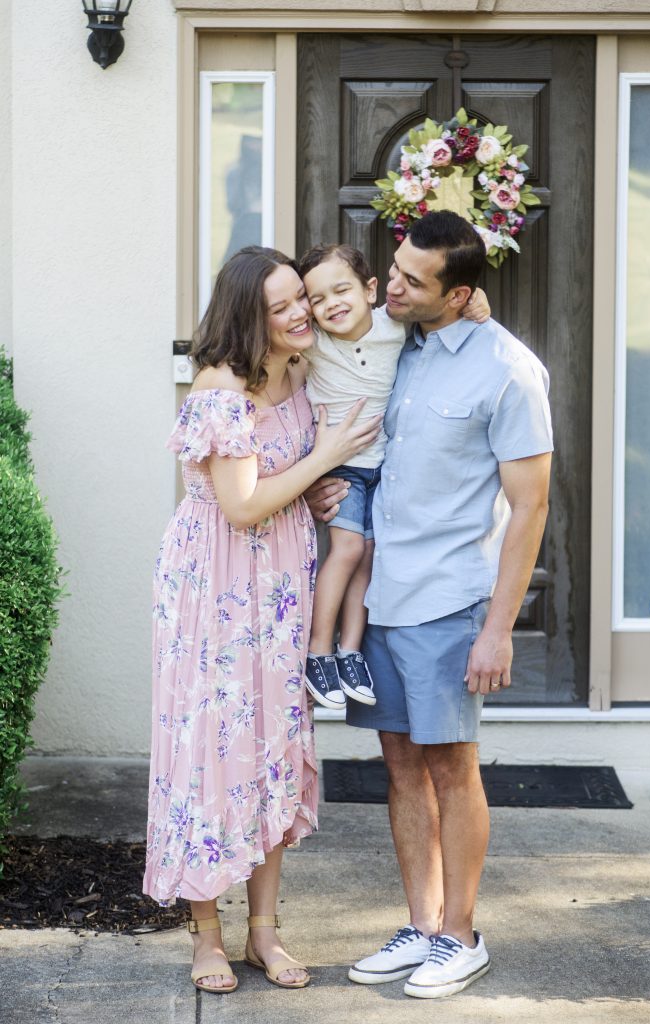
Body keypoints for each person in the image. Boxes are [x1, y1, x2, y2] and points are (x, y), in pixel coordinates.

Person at [307, 211, 553, 1000]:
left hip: (448, 601)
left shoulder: (507, 371)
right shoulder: (395, 343)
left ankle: (460, 934)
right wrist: (321, 487)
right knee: (400, 768)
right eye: (394, 271)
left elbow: (531, 507)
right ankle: (420, 925)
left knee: (451, 769)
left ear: (459, 294)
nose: (392, 288)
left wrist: (497, 630)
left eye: (412, 281)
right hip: (380, 595)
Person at [143, 246, 380, 994]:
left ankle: (264, 932)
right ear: (250, 318)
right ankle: (206, 936)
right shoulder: (220, 390)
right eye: (281, 307)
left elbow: (379, 337)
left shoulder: (301, 371)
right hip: (214, 588)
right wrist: (326, 457)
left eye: (299, 299)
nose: (301, 313)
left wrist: (311, 491)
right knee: (211, 753)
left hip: (278, 584)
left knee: (271, 746)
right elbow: (241, 504)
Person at [298, 243, 489, 711]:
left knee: (368, 555)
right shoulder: (313, 344)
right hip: (340, 467)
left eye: (341, 290)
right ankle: (319, 651)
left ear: (369, 290)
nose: (331, 305)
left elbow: (441, 310)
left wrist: (478, 301)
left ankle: (350, 651)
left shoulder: (394, 326)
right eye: (317, 299)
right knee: (347, 550)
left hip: (381, 467)